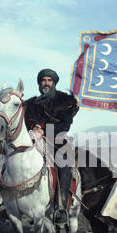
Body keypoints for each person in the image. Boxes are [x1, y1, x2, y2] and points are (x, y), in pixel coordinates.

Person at [23, 68, 79, 224]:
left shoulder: (64, 101)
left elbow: (65, 125)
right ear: (39, 83)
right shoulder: (32, 104)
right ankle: (11, 202)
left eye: (49, 80)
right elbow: (26, 122)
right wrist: (33, 129)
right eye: (43, 80)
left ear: (54, 82)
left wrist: (45, 130)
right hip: (34, 138)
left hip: (57, 140)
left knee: (64, 163)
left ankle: (61, 207)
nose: (46, 83)